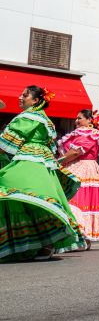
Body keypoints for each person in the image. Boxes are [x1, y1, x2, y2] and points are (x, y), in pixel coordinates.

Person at [0, 86, 86, 261]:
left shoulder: (28, 117)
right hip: (42, 162)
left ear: (36, 101)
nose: (20, 97)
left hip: (29, 161)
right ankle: (44, 243)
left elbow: (6, 144)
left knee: (14, 191)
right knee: (35, 200)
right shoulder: (45, 119)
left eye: (25, 95)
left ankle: (36, 243)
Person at [57, 109, 99, 248]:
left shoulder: (90, 134)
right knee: (80, 202)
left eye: (80, 118)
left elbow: (76, 152)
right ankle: (82, 238)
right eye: (76, 118)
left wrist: (58, 162)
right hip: (79, 167)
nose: (76, 121)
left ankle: (81, 237)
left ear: (89, 120)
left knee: (75, 200)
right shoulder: (82, 133)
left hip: (83, 168)